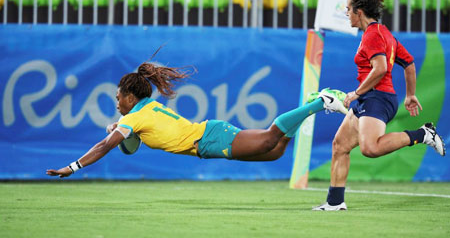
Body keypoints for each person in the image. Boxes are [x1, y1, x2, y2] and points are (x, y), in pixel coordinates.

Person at [47, 62, 348, 178]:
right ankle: (312, 105)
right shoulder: (146, 108)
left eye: (118, 97)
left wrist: (73, 166)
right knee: (276, 151)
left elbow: (106, 145)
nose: (116, 102)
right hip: (209, 136)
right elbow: (130, 133)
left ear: (129, 95)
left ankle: (319, 101)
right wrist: (119, 126)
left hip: (209, 138)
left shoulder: (136, 115)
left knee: (270, 138)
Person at [312, 0, 446, 211]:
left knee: (370, 149)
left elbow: (381, 68)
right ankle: (335, 202)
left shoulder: (373, 35)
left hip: (377, 98)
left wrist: (356, 93)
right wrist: (410, 95)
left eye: (348, 9)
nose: (346, 13)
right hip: (373, 97)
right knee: (340, 145)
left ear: (359, 12)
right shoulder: (383, 33)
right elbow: (409, 63)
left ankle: (423, 134)